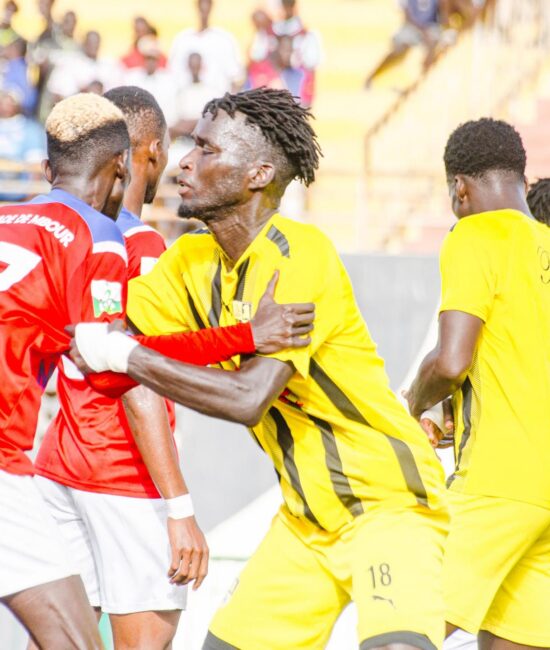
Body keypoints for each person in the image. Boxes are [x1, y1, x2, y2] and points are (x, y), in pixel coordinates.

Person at [71, 87, 448, 650]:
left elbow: (248, 397)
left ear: (258, 174)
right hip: (304, 520)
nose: (184, 163)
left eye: (207, 149)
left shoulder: (300, 253)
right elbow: (100, 343)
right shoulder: (190, 261)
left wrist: (124, 354)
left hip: (388, 505)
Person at [32, 85, 316, 650]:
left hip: (58, 466)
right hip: (127, 478)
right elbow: (137, 379)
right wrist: (179, 506)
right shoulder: (139, 246)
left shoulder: (67, 234)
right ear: (153, 152)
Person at [405, 118, 550, 649]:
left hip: (498, 479)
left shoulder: (473, 235)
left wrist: (413, 403)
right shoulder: (545, 242)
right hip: (543, 492)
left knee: (402, 625)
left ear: (459, 189)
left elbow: (450, 362)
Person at [0, 91, 131, 650]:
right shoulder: (98, 235)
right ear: (121, 168)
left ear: (47, 168)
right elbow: (105, 362)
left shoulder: (4, 215)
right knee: (77, 643)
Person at [169, 0, 243, 96]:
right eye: (202, 6)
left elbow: (236, 76)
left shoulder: (224, 40)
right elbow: (173, 73)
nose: (204, 10)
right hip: (187, 98)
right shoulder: (182, 39)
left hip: (218, 98)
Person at [365, 0, 441, 87]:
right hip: (410, 27)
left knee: (433, 47)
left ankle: (420, 82)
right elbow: (407, 17)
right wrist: (423, 31)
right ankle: (372, 76)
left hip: (431, 28)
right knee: (399, 51)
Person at [0, 85, 45, 200]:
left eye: (10, 101)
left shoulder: (30, 129)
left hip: (19, 194)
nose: (6, 104)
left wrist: (30, 198)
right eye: (3, 100)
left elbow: (36, 163)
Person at [124, 37, 177, 126]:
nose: (150, 62)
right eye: (148, 59)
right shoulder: (132, 77)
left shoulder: (168, 79)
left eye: (153, 59)